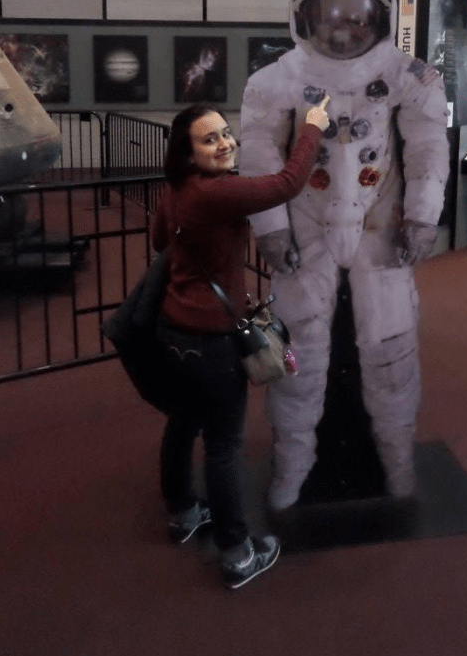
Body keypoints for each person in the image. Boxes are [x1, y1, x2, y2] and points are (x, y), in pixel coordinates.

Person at [239, 0, 450, 511]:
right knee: (298, 347)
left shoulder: (410, 77)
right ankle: (292, 464)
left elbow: (429, 147)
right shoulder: (275, 80)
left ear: (381, 17)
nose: (342, 28)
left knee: (391, 345)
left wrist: (421, 216)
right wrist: (271, 229)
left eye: (356, 16)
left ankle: (397, 460)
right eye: (328, 14)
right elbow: (258, 153)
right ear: (303, 15)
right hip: (305, 219)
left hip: (380, 221)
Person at [151, 98, 330, 589]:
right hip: (211, 340)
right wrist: (312, 128)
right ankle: (236, 552)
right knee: (225, 444)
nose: (225, 142)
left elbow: (159, 240)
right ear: (189, 155)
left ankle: (184, 512)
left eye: (225, 133)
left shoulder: (176, 188)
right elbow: (287, 184)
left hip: (174, 331)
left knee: (183, 423)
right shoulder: (215, 192)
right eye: (209, 139)